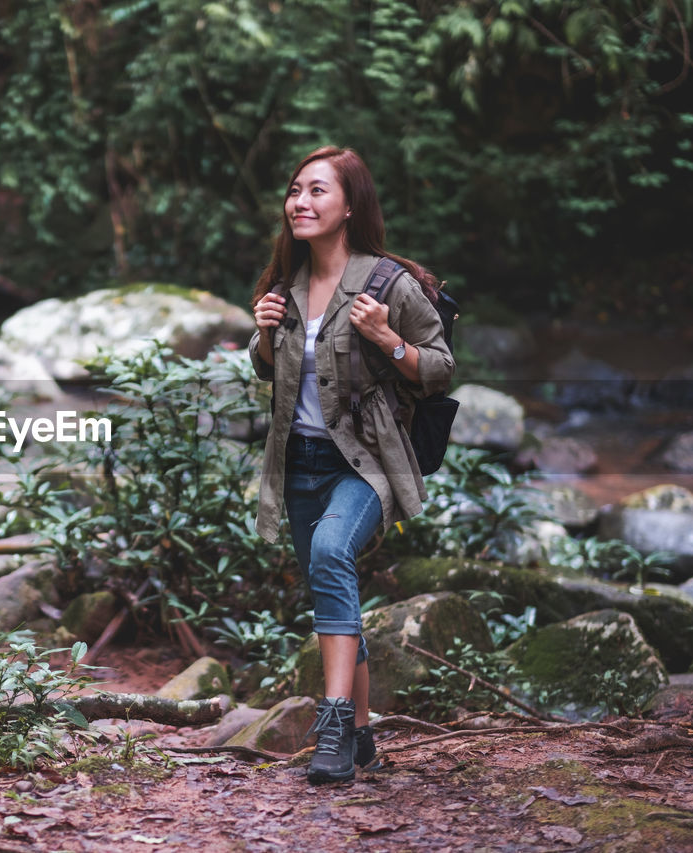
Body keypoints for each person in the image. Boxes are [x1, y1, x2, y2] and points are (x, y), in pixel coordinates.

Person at [247, 146, 454, 785]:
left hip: (364, 463)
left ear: (349, 206)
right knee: (331, 587)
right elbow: (269, 371)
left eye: (317, 191)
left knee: (334, 553)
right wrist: (261, 333)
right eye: (294, 191)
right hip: (298, 462)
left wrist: (388, 340)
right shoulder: (284, 288)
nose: (300, 203)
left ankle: (334, 720)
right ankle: (363, 737)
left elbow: (442, 368)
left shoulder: (389, 284)